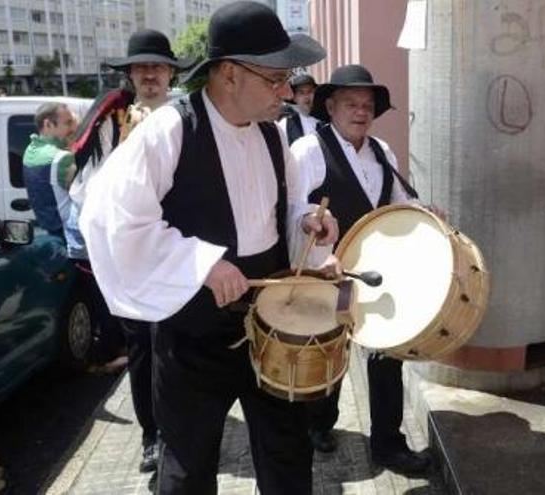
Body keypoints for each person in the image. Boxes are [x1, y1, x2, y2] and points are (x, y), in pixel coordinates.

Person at [79, 3, 336, 493]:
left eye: (287, 80)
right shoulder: (170, 129)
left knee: (287, 453)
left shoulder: (273, 135)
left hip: (269, 324)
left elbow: (285, 208)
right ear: (229, 74)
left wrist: (308, 223)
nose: (285, 92)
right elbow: (109, 217)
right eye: (274, 79)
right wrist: (200, 263)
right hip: (193, 334)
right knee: (188, 467)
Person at [290, 64, 430, 475]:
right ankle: (319, 424)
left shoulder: (382, 152)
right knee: (330, 352)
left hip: (377, 272)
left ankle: (389, 442)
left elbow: (400, 201)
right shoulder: (308, 151)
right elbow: (294, 209)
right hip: (327, 271)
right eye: (351, 103)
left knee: (387, 355)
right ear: (330, 106)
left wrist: (425, 214)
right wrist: (313, 239)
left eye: (367, 105)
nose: (360, 111)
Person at [68, 28, 195, 474]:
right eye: (141, 67)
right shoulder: (112, 120)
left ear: (171, 72)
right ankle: (151, 435)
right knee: (142, 347)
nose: (149, 74)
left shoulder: (188, 116)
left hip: (178, 250)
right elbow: (89, 189)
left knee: (180, 344)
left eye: (157, 66)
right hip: (134, 254)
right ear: (130, 75)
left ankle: (183, 426)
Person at [22, 102, 77, 238]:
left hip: (47, 230)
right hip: (68, 236)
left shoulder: (30, 151)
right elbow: (84, 196)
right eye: (68, 123)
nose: (73, 128)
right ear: (48, 124)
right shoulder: (62, 158)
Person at [278, 73, 320, 144]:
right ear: (294, 98)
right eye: (301, 93)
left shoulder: (327, 120)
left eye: (310, 91)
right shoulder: (286, 124)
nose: (306, 96)